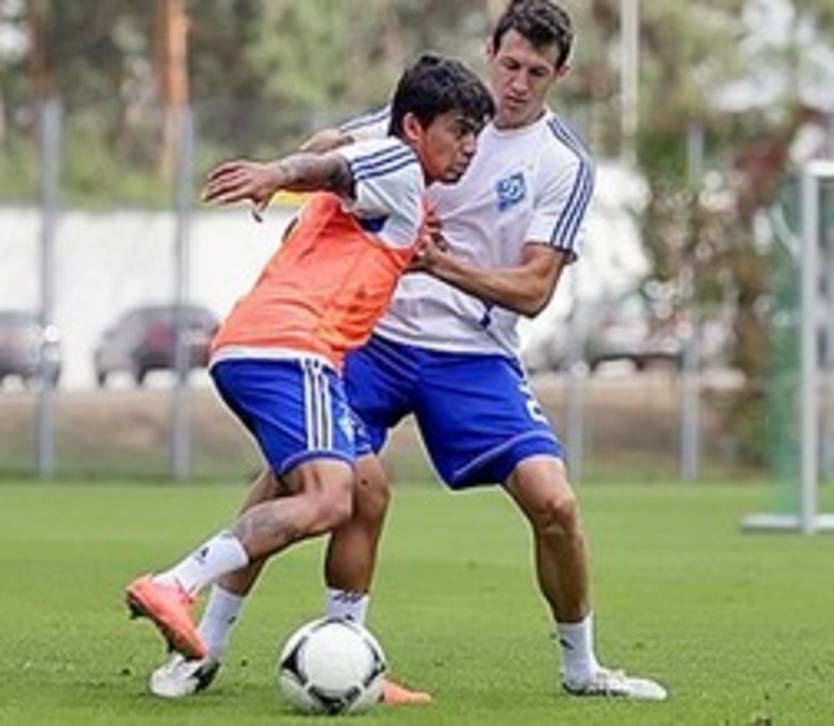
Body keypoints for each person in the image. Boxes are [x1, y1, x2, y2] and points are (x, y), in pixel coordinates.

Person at [149, 0, 668, 703]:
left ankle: (582, 668)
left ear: (560, 75)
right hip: (374, 338)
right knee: (314, 482)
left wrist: (437, 263)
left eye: (536, 73)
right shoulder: (433, 115)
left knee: (555, 503)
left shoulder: (561, 163)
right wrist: (301, 197)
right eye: (510, 64)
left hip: (471, 354)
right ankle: (208, 647)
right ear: (491, 51)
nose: (517, 84)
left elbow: (534, 290)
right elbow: (336, 144)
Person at [124, 54, 494, 674]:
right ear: (413, 127)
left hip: (260, 346)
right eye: (459, 130)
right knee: (328, 501)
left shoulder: (384, 179)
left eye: (476, 134)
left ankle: (324, 657)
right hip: (292, 349)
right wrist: (279, 172)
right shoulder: (399, 164)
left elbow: (330, 156)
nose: (470, 148)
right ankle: (175, 583)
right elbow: (330, 164)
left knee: (367, 490)